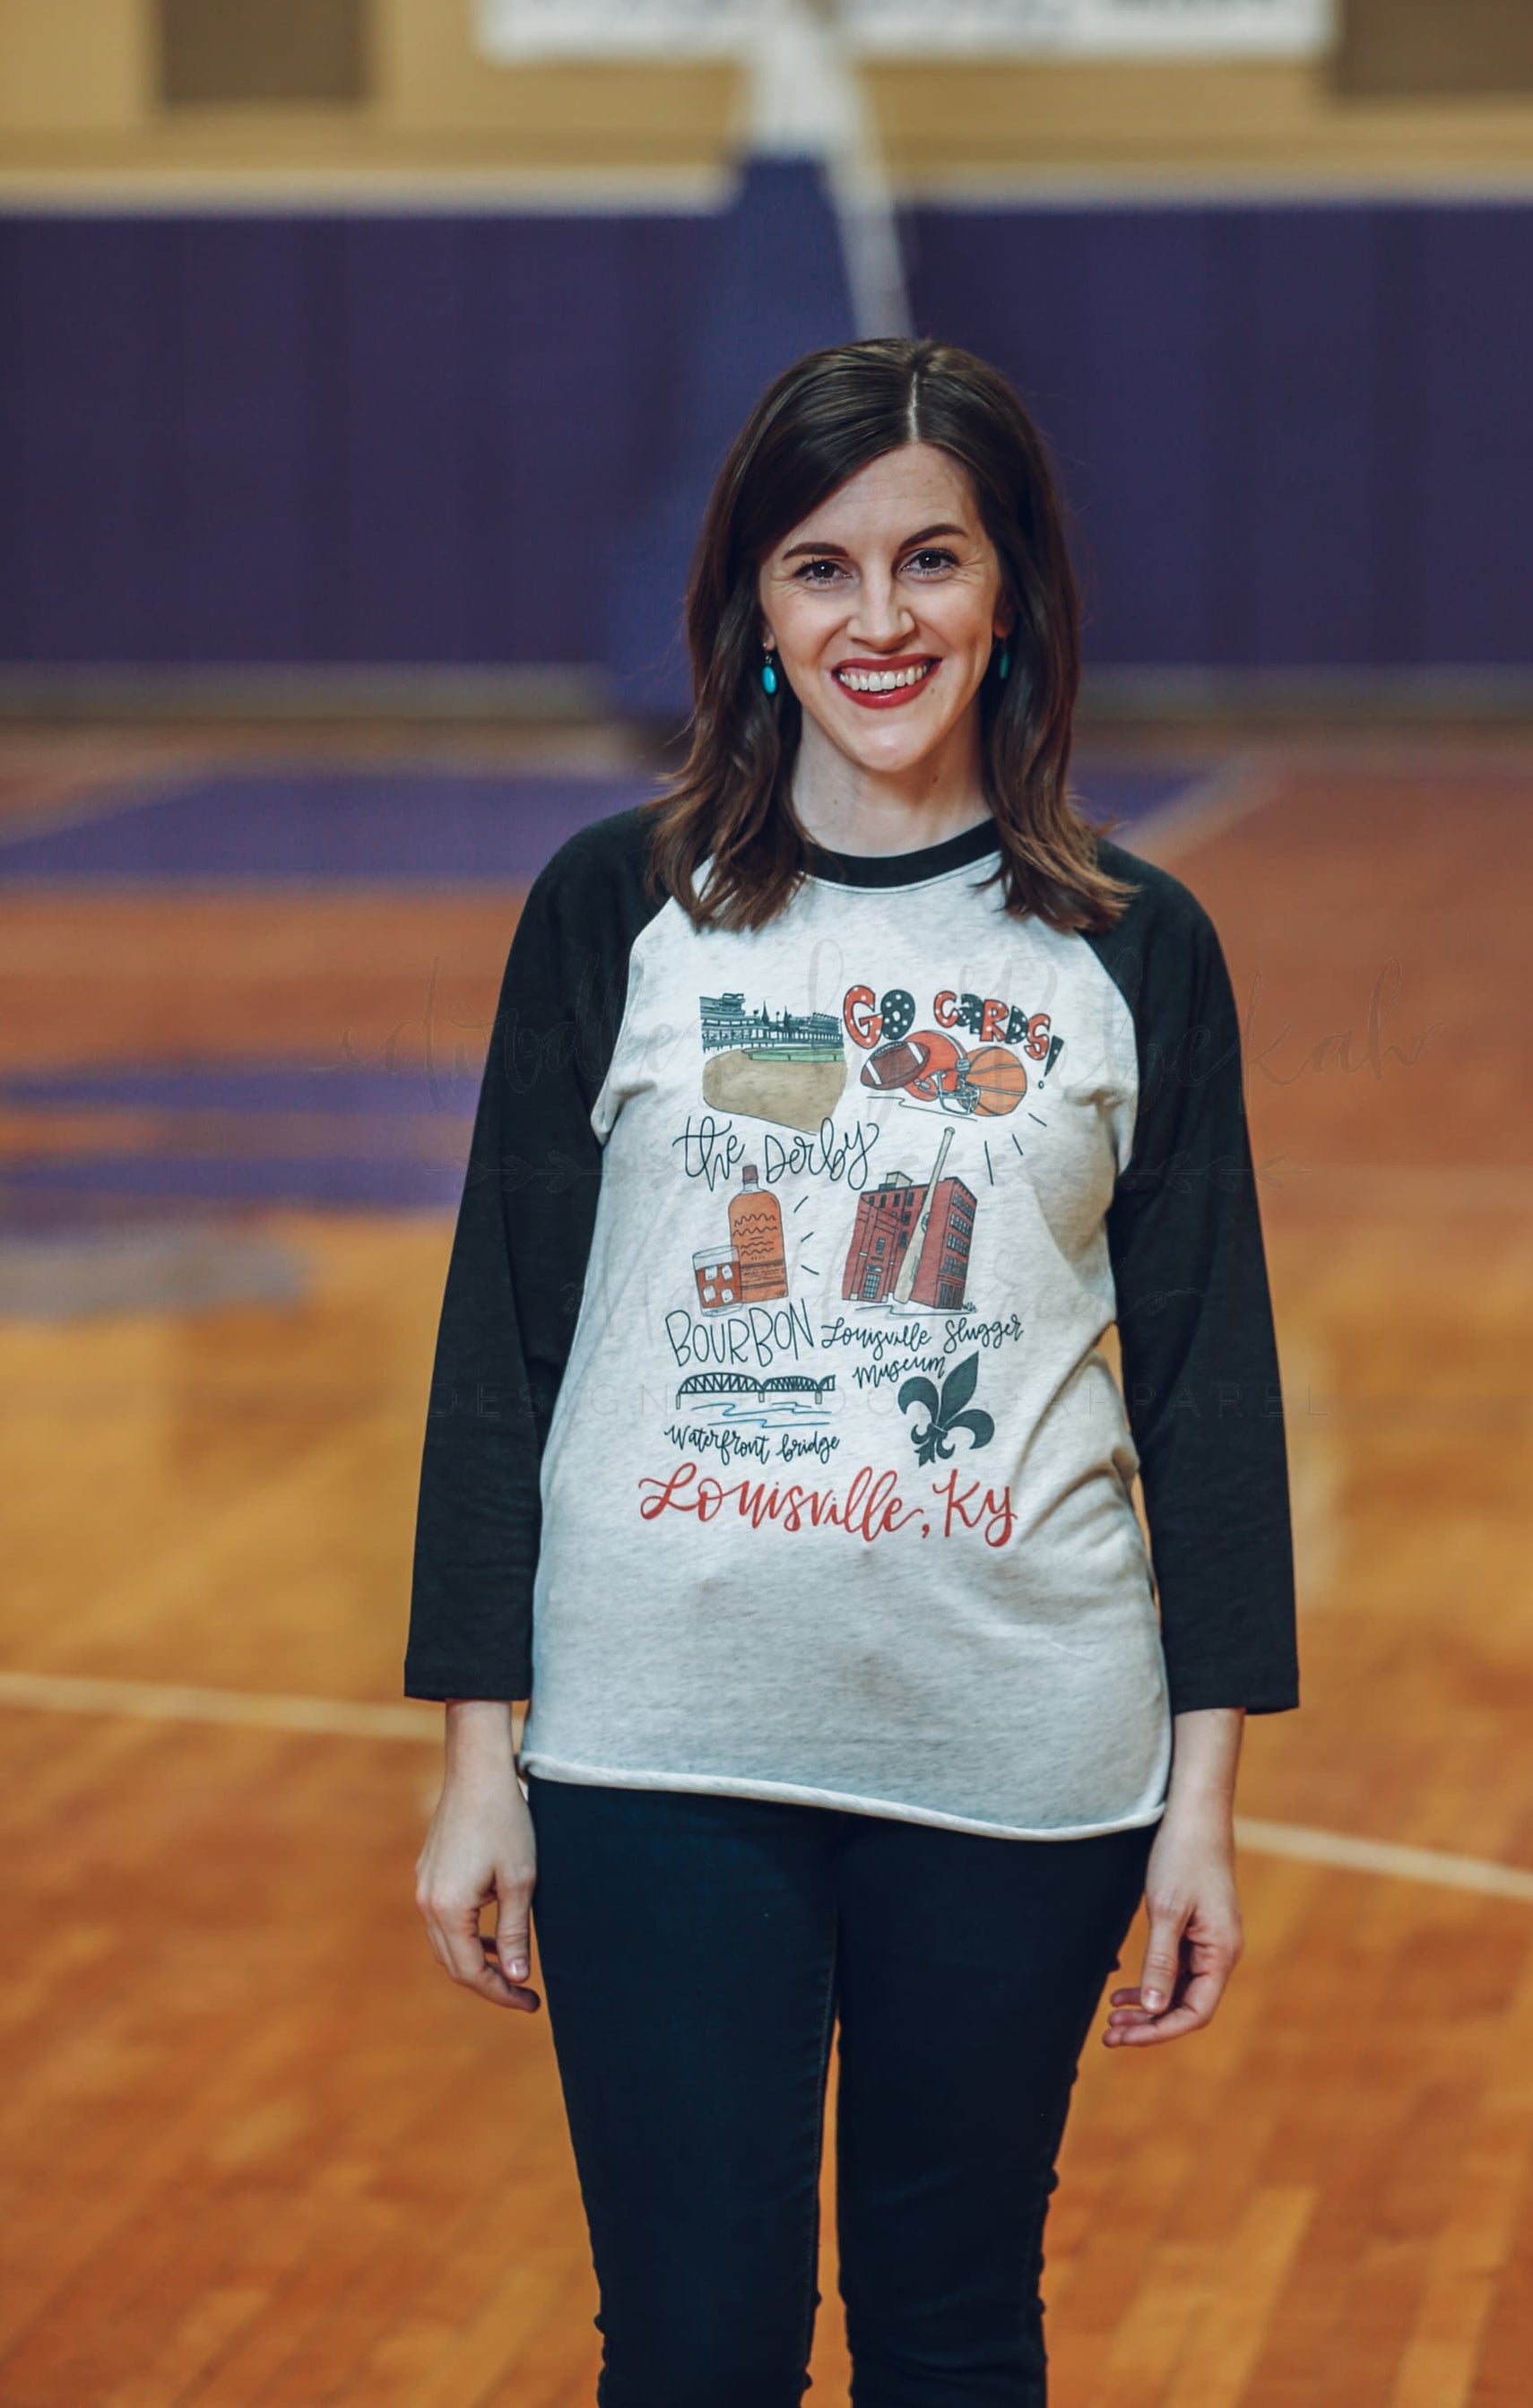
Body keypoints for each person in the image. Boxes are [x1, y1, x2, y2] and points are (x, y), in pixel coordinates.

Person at [406, 336, 1297, 2408]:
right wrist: (477, 1757)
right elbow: (497, 1353)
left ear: (1012, 601)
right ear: (753, 609)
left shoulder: (1127, 945)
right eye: (820, 567)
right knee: (698, 2353)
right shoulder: (613, 912)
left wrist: (1206, 1799)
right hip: (656, 1749)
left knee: (952, 2332)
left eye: (929, 562)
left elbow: (1211, 1388)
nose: (876, 620)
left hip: (1018, 1748)